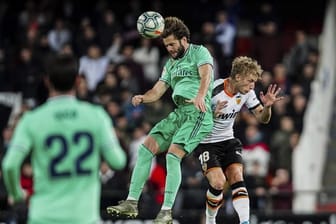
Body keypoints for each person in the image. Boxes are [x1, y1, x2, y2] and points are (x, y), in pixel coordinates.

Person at [106, 16, 214, 224]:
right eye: (166, 45)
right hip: (180, 113)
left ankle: (166, 211)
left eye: (172, 44)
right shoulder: (170, 64)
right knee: (145, 148)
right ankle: (131, 202)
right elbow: (158, 90)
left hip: (199, 113)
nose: (170, 49)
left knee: (173, 155)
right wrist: (143, 97)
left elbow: (207, 73)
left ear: (183, 40)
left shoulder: (199, 52)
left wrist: (201, 95)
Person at [1, 54, 127, 224]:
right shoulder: (96, 116)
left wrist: (17, 195)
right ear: (77, 81)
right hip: (84, 217)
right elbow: (118, 161)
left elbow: (9, 165)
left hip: (43, 216)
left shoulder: (31, 120)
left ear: (47, 81)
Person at [194, 56, 284, 224]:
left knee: (236, 176)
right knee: (219, 183)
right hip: (207, 142)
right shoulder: (212, 90)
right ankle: (210, 220)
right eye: (250, 81)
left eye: (254, 82)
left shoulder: (247, 93)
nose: (252, 86)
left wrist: (268, 107)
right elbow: (192, 120)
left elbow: (262, 118)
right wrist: (211, 115)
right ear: (237, 77)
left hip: (228, 140)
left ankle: (245, 221)